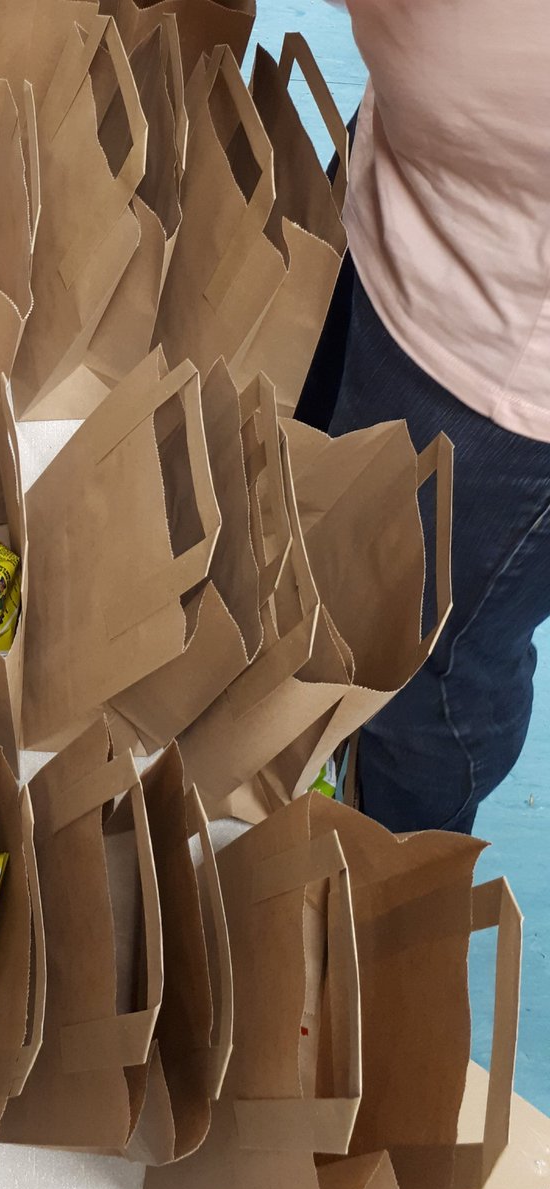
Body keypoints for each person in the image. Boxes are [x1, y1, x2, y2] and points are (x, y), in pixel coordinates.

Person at [302, 0, 550, 835]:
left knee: (423, 678)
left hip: (501, 368)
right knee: (299, 512)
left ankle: (389, 889)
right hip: (401, 187)